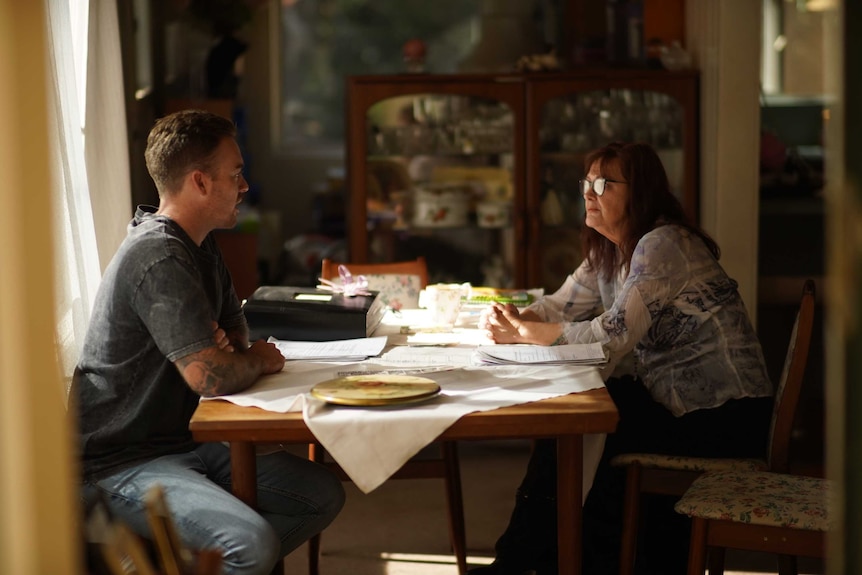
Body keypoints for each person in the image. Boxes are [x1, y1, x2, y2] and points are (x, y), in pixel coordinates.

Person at [472, 142, 773, 575]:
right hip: (675, 404)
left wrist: (529, 333)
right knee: (577, 423)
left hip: (722, 416)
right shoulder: (610, 249)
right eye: (586, 183)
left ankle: (523, 562)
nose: (589, 194)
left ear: (642, 192)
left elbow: (610, 337)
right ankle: (543, 559)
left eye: (603, 183)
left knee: (579, 423)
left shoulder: (664, 244)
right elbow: (560, 305)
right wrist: (513, 318)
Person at [71, 109, 345, 575]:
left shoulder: (199, 242)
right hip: (117, 463)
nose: (244, 186)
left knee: (321, 493)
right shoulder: (158, 255)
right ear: (199, 182)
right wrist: (252, 358)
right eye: (235, 174)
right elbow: (213, 376)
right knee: (251, 545)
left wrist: (233, 352)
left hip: (181, 443)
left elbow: (234, 335)